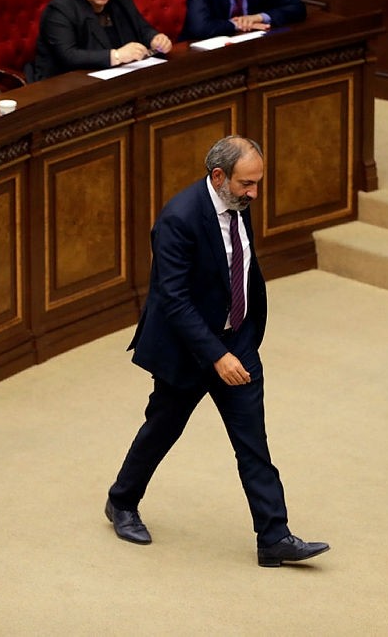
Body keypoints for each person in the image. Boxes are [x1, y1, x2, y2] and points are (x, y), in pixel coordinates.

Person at [104, 135, 329, 568]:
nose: (255, 193)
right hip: (187, 350)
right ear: (219, 176)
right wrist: (216, 356)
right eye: (247, 183)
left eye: (258, 183)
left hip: (236, 340)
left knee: (252, 442)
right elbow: (173, 299)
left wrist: (242, 338)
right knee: (163, 428)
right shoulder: (179, 218)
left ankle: (274, 537)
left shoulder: (239, 202)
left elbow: (238, 268)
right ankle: (122, 501)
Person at [30, 0, 173, 81]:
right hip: (65, 86)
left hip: (117, 79)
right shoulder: (60, 9)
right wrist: (117, 56)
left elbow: (142, 28)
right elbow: (69, 56)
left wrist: (155, 38)